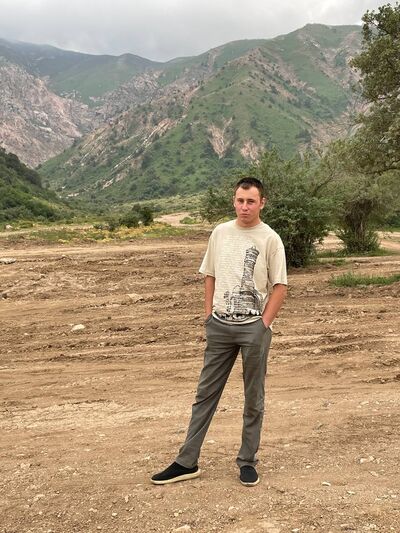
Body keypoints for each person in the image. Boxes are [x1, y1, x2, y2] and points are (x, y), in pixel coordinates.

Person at [151, 177, 287, 487]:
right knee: (205, 395)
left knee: (253, 397)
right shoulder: (220, 233)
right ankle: (186, 461)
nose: (244, 206)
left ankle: (247, 461)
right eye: (240, 200)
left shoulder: (270, 239)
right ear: (234, 201)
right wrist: (208, 315)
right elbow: (209, 274)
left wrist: (263, 324)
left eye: (251, 201)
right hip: (220, 325)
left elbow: (280, 286)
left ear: (262, 203)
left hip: (253, 328)